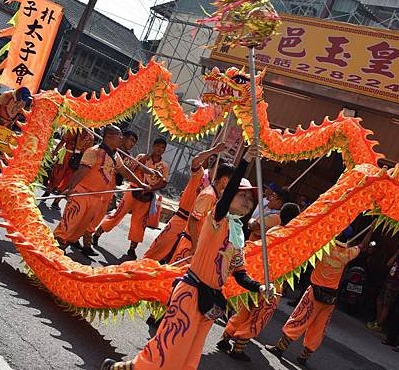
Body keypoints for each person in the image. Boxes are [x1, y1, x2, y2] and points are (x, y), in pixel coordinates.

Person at [101, 144, 272, 370]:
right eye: (242, 195)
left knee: (189, 357)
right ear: (228, 196)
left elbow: (240, 275)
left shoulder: (238, 236)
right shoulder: (217, 219)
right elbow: (223, 199)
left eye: (250, 200)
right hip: (190, 294)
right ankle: (126, 368)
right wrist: (245, 162)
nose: (247, 201)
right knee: (169, 346)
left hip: (210, 302)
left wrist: (259, 287)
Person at [265, 226, 367, 365]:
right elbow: (362, 246)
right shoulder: (348, 254)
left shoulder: (324, 246)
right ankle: (304, 357)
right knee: (318, 328)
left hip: (315, 293)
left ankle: (280, 348)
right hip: (330, 299)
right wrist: (371, 230)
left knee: (299, 318)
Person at [217, 202, 301, 362]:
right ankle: (238, 349)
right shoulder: (290, 239)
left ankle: (225, 338)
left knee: (244, 311)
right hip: (272, 285)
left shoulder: (273, 231)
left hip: (256, 278)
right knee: (258, 317)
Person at [53, 125, 149, 256]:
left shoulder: (115, 156)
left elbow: (124, 171)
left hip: (97, 197)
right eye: (118, 135)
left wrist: (141, 183)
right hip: (83, 193)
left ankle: (63, 249)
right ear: (108, 137)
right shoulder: (94, 151)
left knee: (79, 228)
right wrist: (70, 189)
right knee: (69, 224)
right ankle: (53, 251)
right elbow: (81, 172)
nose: (121, 138)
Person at [141, 142, 227, 262]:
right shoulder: (200, 175)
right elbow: (196, 161)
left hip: (195, 230)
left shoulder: (218, 191)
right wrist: (214, 150)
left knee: (179, 259)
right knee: (158, 249)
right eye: (218, 169)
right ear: (212, 167)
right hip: (181, 218)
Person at [92, 137, 169, 259]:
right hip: (133, 190)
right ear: (153, 146)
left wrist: (151, 188)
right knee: (118, 214)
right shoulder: (141, 157)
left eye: (162, 148)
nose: (160, 149)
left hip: (147, 195)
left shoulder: (164, 166)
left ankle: (132, 249)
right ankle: (97, 234)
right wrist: (145, 159)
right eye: (158, 146)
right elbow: (132, 168)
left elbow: (164, 182)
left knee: (139, 223)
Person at [164, 160, 235, 265]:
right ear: (224, 180)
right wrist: (195, 244)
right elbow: (193, 220)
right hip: (190, 244)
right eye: (232, 181)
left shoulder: (215, 195)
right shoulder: (209, 195)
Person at [367, 241, 399, 331]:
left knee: (386, 305)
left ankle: (379, 324)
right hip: (388, 281)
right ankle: (377, 321)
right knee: (380, 301)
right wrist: (396, 254)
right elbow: (389, 264)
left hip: (394, 285)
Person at [42, 128, 95, 210]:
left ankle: (51, 197)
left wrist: (54, 153)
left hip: (71, 159)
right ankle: (53, 198)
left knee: (62, 178)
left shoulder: (83, 134)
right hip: (71, 158)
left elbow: (62, 142)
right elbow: (63, 142)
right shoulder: (79, 133)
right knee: (61, 178)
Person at [108, 129, 139, 211]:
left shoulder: (128, 157)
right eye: (131, 140)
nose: (132, 144)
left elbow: (132, 169)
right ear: (123, 138)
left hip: (111, 185)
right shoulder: (111, 148)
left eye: (134, 143)